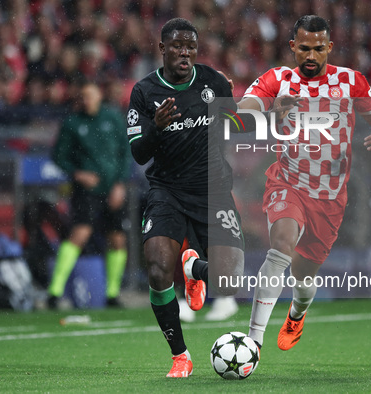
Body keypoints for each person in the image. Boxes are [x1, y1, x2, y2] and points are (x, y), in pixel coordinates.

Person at [238, 15, 371, 352]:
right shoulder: (276, 79)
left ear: (329, 47)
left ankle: (297, 314)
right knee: (280, 245)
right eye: (304, 49)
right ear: (292, 47)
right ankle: (253, 342)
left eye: (318, 49)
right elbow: (239, 113)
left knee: (303, 277)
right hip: (288, 183)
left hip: (329, 197)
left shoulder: (351, 81)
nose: (311, 56)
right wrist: (269, 114)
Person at [127, 18, 245, 378]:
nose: (185, 53)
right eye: (177, 46)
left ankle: (195, 268)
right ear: (162, 49)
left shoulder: (211, 81)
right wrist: (156, 128)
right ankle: (180, 355)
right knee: (159, 269)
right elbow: (138, 153)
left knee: (229, 280)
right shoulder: (144, 92)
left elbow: (237, 123)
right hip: (168, 190)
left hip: (213, 190)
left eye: (191, 47)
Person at [48, 80, 131, 308]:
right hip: (86, 190)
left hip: (112, 187)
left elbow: (125, 152)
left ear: (99, 96)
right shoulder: (73, 123)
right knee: (80, 234)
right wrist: (78, 174)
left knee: (117, 239)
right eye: (83, 96)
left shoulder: (113, 118)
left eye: (91, 95)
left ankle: (112, 294)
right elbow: (58, 156)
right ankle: (54, 292)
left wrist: (120, 184)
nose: (87, 100)